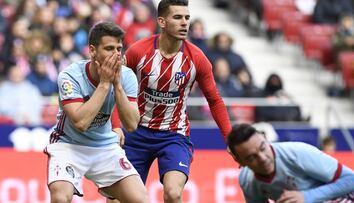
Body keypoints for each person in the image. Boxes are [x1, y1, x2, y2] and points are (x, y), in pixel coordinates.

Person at [117, 0, 232, 202]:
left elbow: (214, 100)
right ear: (161, 21)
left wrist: (229, 137)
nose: (184, 23)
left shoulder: (197, 59)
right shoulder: (138, 52)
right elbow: (114, 88)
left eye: (187, 18)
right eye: (177, 17)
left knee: (173, 193)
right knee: (118, 199)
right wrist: (116, 126)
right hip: (136, 133)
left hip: (173, 135)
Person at [44, 21, 149, 203]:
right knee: (60, 198)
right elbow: (81, 123)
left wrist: (117, 86)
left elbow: (132, 125)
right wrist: (105, 83)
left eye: (119, 48)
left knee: (140, 200)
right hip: (69, 145)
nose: (116, 55)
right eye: (109, 49)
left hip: (105, 147)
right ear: (92, 50)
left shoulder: (127, 76)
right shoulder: (70, 76)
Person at [227, 123, 354, 203]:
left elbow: (352, 180)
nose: (262, 158)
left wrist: (307, 197)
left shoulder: (297, 153)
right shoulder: (247, 181)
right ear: (240, 162)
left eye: (263, 147)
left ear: (266, 141)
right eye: (251, 157)